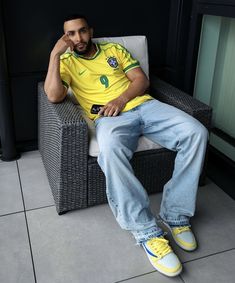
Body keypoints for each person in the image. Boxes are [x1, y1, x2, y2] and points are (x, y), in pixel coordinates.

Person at [44, 14, 208, 277]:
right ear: (65, 38)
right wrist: (55, 54)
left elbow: (142, 81)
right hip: (109, 120)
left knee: (196, 132)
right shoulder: (65, 61)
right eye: (70, 34)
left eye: (82, 31)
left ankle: (175, 214)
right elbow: (53, 95)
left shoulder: (114, 49)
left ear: (91, 31)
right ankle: (146, 231)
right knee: (109, 151)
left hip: (146, 106)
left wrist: (120, 100)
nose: (78, 39)